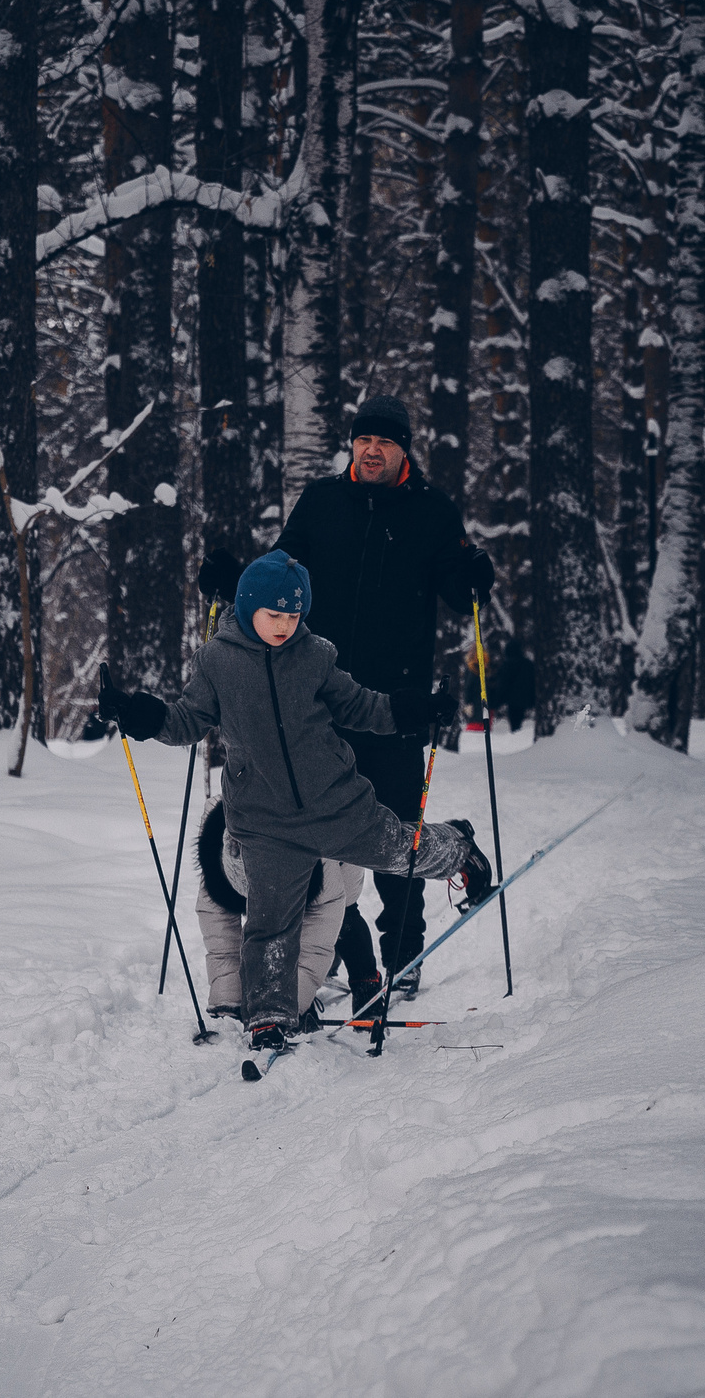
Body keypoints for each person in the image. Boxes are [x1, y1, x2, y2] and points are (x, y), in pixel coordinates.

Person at [100, 550, 492, 1054]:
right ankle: (267, 1017)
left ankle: (459, 849)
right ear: (246, 608)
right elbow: (187, 720)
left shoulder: (315, 655)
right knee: (270, 919)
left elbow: (359, 705)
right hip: (263, 822)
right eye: (274, 615)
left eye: (293, 616)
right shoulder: (216, 661)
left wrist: (407, 709)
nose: (285, 626)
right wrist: (139, 714)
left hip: (337, 801)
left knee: (401, 852)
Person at [201, 396, 493, 998]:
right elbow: (281, 570)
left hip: (392, 701)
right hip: (318, 698)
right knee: (313, 833)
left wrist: (472, 577)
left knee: (392, 830)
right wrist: (235, 581)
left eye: (385, 443)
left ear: (403, 450)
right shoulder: (322, 502)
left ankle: (404, 957)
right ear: (352, 445)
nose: (372, 451)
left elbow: (453, 585)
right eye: (364, 441)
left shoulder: (433, 512)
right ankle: (341, 946)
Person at [190, 798, 381, 1028]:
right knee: (267, 928)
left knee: (343, 919)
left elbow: (316, 941)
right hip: (275, 859)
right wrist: (227, 1005)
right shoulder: (216, 852)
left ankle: (366, 983)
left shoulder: (317, 849)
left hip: (336, 843)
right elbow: (221, 943)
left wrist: (289, 1006)